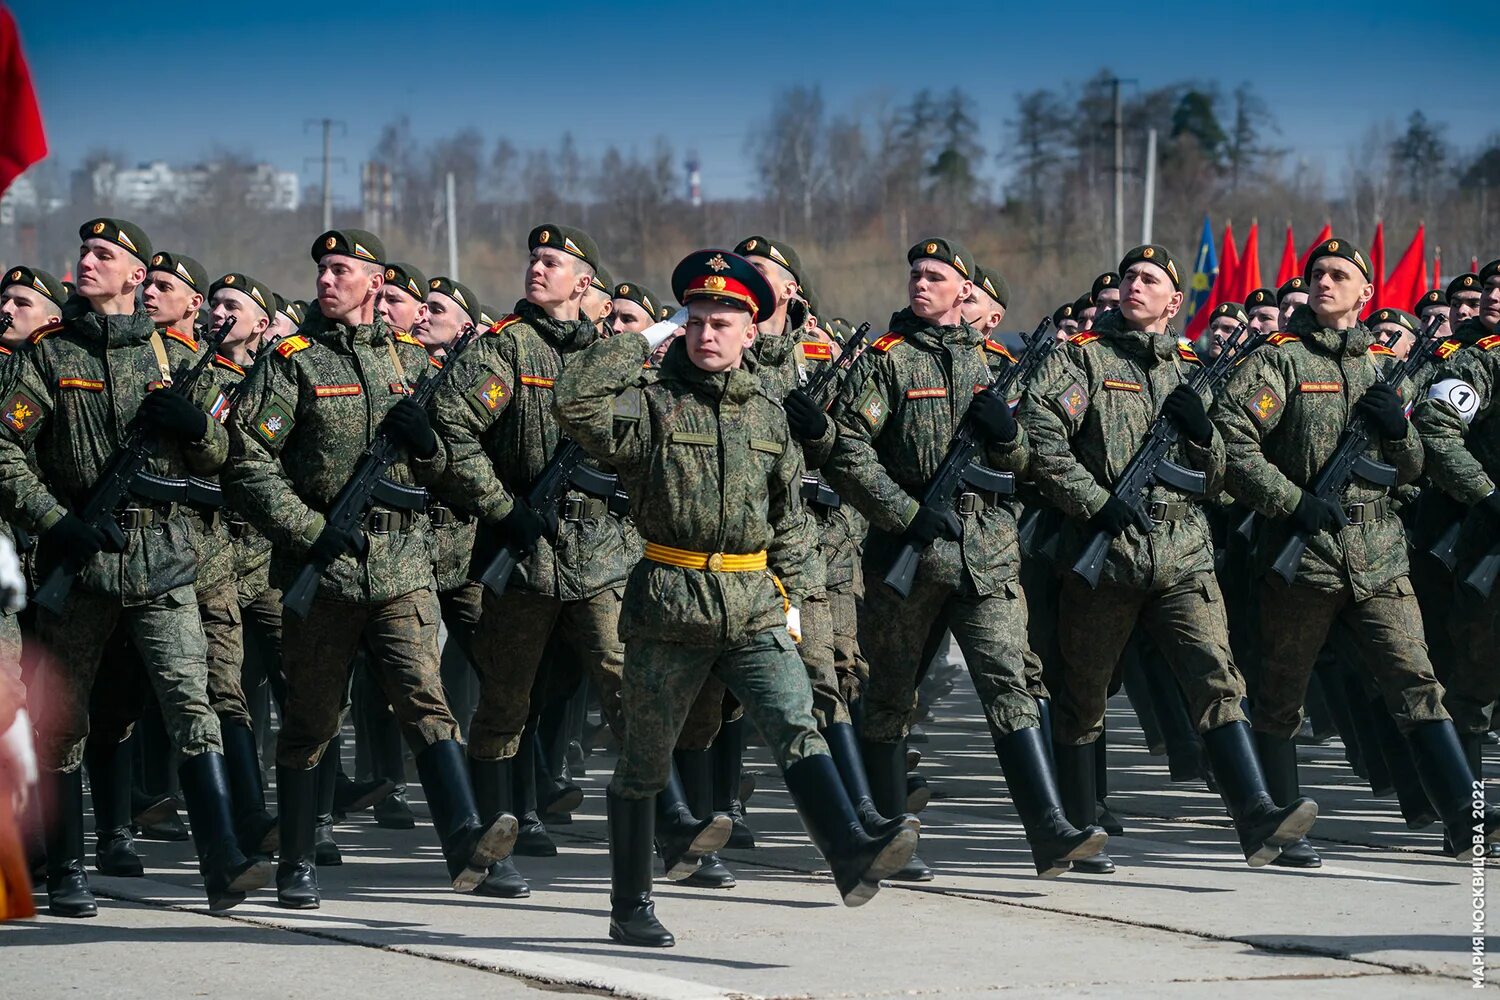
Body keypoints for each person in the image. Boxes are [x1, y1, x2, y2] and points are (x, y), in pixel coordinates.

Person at [555, 247, 918, 948]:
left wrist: (802, 602)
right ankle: (630, 904)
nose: (708, 333)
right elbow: (575, 405)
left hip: (752, 602)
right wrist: (643, 338)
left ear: (754, 330)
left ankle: (846, 851)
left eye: (723, 321)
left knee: (796, 722)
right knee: (642, 762)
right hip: (671, 603)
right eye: (696, 320)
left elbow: (787, 519)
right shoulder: (652, 407)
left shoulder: (772, 414)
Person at [225, 228, 516, 909]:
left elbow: (450, 463)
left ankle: (465, 838)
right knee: (312, 718)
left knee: (425, 700)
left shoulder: (415, 365)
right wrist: (306, 530)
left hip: (402, 565)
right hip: (321, 573)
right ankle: (297, 858)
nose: (327, 281)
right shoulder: (292, 361)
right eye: (321, 270)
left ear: (376, 281)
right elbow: (248, 460)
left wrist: (433, 450)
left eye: (341, 270)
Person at [0, 218, 272, 915]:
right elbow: (4, 451)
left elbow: (221, 458)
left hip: (164, 561)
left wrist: (197, 427)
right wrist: (58, 521)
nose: (88, 261)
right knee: (62, 721)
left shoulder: (177, 357)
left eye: (105, 254)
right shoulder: (48, 356)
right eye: (84, 252)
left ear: (135, 275)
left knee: (193, 706)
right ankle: (65, 870)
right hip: (81, 564)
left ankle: (222, 863)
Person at [1020, 242, 1318, 870]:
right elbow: (1043, 439)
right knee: (1084, 692)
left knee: (1216, 678)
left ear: (1174, 302)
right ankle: (1075, 826)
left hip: (1183, 553)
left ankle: (1257, 815)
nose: (1134, 286)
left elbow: (1220, 477)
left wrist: (1202, 432)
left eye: (1149, 279)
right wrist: (1093, 502)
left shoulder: (1191, 368)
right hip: (1107, 553)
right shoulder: (1083, 360)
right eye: (1129, 276)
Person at [820, 236, 1106, 881]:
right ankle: (887, 835)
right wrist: (902, 511)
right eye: (915, 274)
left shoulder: (1002, 364)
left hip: (989, 555)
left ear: (965, 291)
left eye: (936, 276)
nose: (921, 284)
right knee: (890, 693)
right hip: (910, 555)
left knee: (1012, 682)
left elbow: (1035, 457)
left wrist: (1007, 440)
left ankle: (1050, 829)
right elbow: (848, 450)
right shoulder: (888, 362)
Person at [1214, 237, 1499, 858]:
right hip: (1304, 552)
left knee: (1417, 682)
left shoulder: (1381, 366)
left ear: (1366, 292)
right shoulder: (1280, 362)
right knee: (1282, 693)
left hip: (1379, 553)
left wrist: (1399, 432)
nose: (1324, 282)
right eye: (1316, 273)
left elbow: (1415, 466)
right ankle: (1279, 828)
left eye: (1339, 274)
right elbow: (1233, 443)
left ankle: (1463, 815)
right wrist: (1292, 502)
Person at [427, 224, 631, 897]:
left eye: (553, 262)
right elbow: (452, 430)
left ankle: (667, 826)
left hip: (596, 556)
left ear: (586, 283)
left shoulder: (608, 357)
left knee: (624, 683)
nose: (538, 269)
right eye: (534, 260)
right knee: (506, 700)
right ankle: (496, 838)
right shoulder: (506, 349)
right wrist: (502, 507)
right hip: (522, 555)